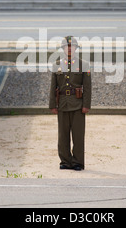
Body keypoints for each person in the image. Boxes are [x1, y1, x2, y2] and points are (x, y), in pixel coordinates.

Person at [49, 36, 92, 171]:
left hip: (78, 104)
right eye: (66, 47)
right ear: (62, 49)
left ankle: (78, 162)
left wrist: (86, 105)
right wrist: (52, 105)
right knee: (63, 135)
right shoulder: (57, 65)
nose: (69, 49)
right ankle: (65, 161)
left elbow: (88, 87)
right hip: (62, 104)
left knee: (78, 135)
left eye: (72, 46)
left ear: (75, 48)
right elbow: (53, 86)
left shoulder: (83, 64)